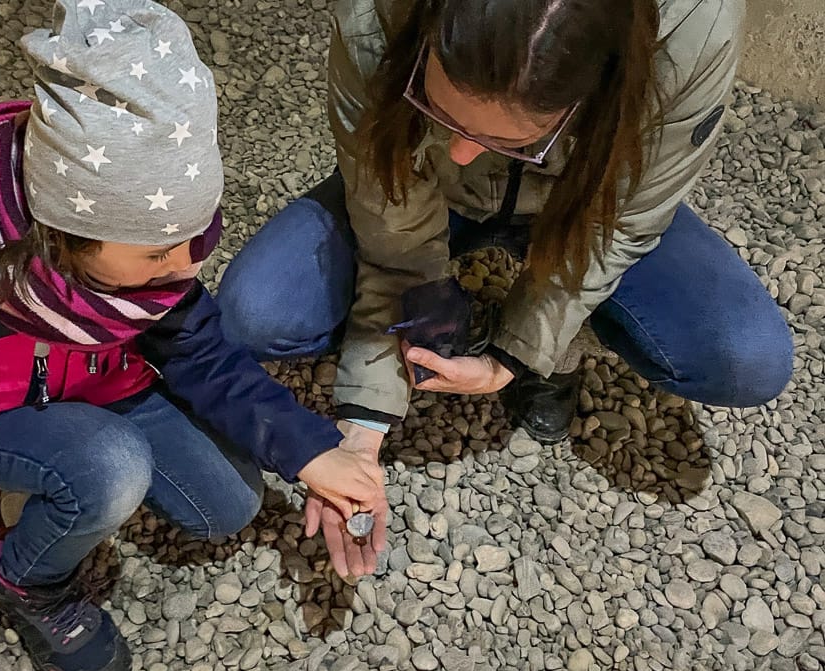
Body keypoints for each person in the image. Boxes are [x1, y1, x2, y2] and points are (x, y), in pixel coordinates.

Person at [0, 0, 384, 671]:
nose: (189, 264)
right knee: (110, 466)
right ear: (61, 232)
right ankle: (26, 578)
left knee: (228, 511)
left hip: (100, 384)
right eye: (159, 251)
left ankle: (77, 472)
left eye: (201, 231)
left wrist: (309, 449)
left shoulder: (159, 261)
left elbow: (203, 353)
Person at [217, 0, 793, 576]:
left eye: (513, 139)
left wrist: (518, 352)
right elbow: (392, 229)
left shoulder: (694, 27)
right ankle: (469, 308)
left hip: (584, 204)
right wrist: (365, 422)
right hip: (436, 196)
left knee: (744, 357)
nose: (463, 152)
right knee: (258, 311)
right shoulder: (376, 15)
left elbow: (620, 222)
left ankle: (562, 343)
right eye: (439, 109)